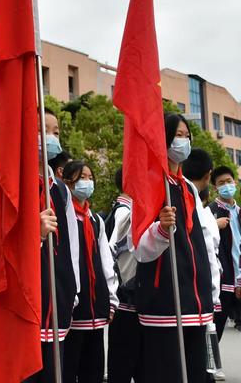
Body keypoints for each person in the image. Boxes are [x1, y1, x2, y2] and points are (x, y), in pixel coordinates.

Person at [134, 113, 220, 383]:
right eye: (177, 136)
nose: (183, 142)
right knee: (166, 374)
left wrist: (211, 292)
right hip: (165, 305)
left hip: (196, 304)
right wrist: (160, 229)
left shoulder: (187, 188)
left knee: (195, 374)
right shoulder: (150, 181)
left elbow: (206, 241)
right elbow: (139, 248)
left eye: (187, 136)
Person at [24, 108, 79, 383]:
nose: (53, 137)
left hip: (57, 299)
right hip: (26, 302)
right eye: (45, 130)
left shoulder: (60, 189)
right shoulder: (13, 181)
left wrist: (73, 289)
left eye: (56, 132)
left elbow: (71, 246)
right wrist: (33, 234)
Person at [62, 160, 118, 383]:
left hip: (96, 308)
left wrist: (111, 300)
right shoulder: (63, 217)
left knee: (93, 370)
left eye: (89, 177)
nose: (87, 182)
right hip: (74, 310)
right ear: (67, 182)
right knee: (68, 368)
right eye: (80, 178)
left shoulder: (95, 220)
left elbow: (106, 262)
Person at [182, 148, 223, 382]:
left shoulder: (190, 197)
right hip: (197, 296)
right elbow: (209, 254)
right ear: (208, 175)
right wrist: (213, 297)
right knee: (196, 366)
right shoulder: (191, 200)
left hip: (194, 296)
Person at [107, 168, 143, 383]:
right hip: (126, 299)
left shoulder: (120, 209)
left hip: (125, 299)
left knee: (127, 362)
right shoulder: (125, 212)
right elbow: (114, 254)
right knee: (125, 364)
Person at [209, 166, 241, 341]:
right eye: (221, 183)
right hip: (223, 282)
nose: (226, 185)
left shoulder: (240, 212)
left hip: (239, 278)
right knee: (215, 330)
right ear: (215, 187)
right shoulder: (210, 212)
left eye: (229, 181)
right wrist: (214, 224)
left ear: (235, 182)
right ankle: (209, 368)